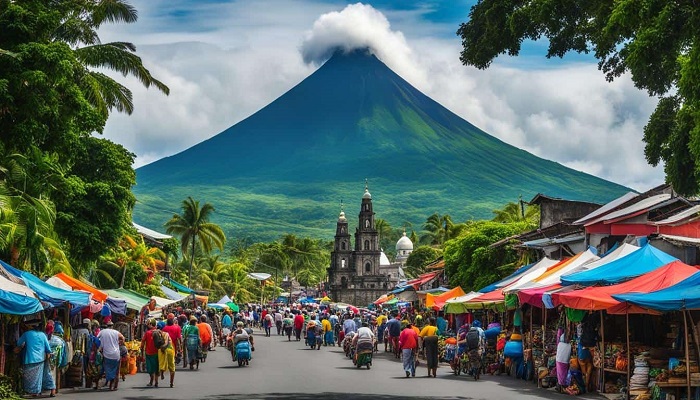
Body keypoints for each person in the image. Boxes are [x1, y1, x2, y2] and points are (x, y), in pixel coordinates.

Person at [16, 322, 54, 397]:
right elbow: (48, 348)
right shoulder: (43, 335)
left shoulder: (26, 334)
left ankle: (34, 392)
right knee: (41, 376)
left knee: (30, 377)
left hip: (30, 359)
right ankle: (43, 390)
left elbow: (18, 343)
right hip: (40, 359)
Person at [97, 321, 125, 391]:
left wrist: (100, 347)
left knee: (108, 369)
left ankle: (106, 384)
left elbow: (97, 338)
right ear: (112, 326)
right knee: (116, 370)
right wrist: (120, 343)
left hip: (107, 354)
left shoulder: (102, 331)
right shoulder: (116, 332)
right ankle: (113, 386)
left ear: (106, 326)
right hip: (116, 354)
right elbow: (122, 338)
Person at [141, 319, 160, 387]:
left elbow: (143, 342)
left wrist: (141, 350)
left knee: (150, 368)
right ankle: (156, 382)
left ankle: (151, 381)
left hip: (149, 353)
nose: (148, 325)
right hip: (157, 353)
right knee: (156, 368)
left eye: (149, 324)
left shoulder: (148, 333)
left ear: (151, 324)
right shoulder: (159, 332)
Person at [157, 323, 176, 388]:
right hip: (169, 350)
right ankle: (171, 383)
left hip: (160, 350)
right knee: (172, 367)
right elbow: (166, 342)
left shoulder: (156, 333)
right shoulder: (166, 334)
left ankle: (161, 373)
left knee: (161, 364)